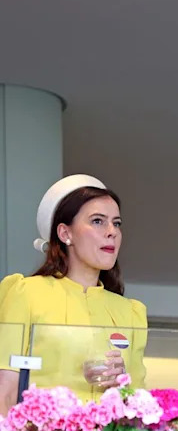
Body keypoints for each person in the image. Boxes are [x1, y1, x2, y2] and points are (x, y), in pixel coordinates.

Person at [0, 174, 146, 413]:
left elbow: (140, 405)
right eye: (98, 221)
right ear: (65, 233)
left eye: (116, 223)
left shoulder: (130, 313)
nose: (112, 232)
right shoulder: (25, 293)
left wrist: (122, 384)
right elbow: (5, 393)